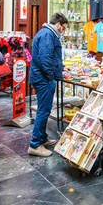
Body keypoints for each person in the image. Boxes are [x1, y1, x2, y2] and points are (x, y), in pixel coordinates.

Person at [28, 13, 67, 157]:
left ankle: (42, 138)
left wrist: (60, 69)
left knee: (44, 110)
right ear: (58, 25)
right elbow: (45, 60)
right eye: (63, 28)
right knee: (43, 111)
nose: (63, 31)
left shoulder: (47, 33)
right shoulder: (48, 35)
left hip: (43, 78)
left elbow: (50, 58)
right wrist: (51, 77)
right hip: (44, 79)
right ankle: (35, 144)